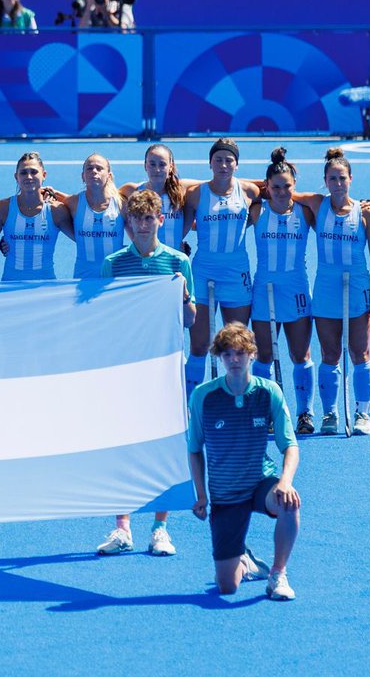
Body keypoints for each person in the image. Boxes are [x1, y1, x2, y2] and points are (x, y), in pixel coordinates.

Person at [95, 189, 195, 557]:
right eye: (136, 219)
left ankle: (160, 528)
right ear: (128, 224)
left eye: (149, 218)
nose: (142, 225)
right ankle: (122, 527)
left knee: (165, 447)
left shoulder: (178, 263)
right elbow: (105, 318)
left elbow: (190, 320)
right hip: (125, 368)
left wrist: (184, 297)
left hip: (165, 367)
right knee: (122, 446)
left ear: (160, 221)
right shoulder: (113, 264)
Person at [188, 323, 301, 601]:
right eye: (227, 355)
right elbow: (194, 449)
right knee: (227, 587)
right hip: (225, 495)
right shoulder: (203, 396)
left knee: (289, 502)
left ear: (252, 354)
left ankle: (278, 574)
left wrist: (285, 482)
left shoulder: (269, 391)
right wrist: (202, 495)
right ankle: (245, 561)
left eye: (240, 353)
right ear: (220, 358)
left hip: (260, 482)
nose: (234, 360)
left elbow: (290, 445)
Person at [296, 148, 370, 435]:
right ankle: (331, 413)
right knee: (330, 353)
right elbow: (277, 190)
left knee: (360, 352)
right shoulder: (316, 204)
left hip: (358, 286)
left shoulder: (365, 213)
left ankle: (362, 412)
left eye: (342, 178)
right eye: (332, 179)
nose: (337, 184)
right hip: (325, 288)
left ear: (351, 179)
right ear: (325, 180)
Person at [182, 138, 261, 399]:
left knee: (238, 343)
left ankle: (240, 395)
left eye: (229, 160)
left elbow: (281, 191)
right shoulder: (195, 193)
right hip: (203, 271)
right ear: (210, 164)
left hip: (236, 273)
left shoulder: (249, 192)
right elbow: (173, 191)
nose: (223, 164)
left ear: (237, 164)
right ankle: (191, 404)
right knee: (200, 344)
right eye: (218, 160)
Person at [250, 148, 317, 435]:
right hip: (264, 291)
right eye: (275, 187)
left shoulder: (306, 212)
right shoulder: (256, 211)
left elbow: (337, 206)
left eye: (287, 186)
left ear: (295, 187)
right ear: (266, 188)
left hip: (296, 290)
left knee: (300, 354)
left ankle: (305, 412)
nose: (281, 191)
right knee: (264, 356)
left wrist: (363, 206)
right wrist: (261, 190)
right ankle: (266, 412)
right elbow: (232, 189)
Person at [0, 152, 71, 281]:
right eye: (23, 173)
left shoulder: (57, 210)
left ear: (44, 175)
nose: (28, 176)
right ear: (16, 177)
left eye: (33, 172)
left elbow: (83, 237)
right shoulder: (3, 208)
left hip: (45, 287)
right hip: (10, 286)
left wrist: (59, 195)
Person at [119, 143, 191, 253]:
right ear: (145, 166)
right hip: (144, 260)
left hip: (173, 261)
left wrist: (181, 236)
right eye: (152, 164)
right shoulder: (132, 191)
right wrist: (134, 239)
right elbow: (110, 201)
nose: (157, 170)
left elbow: (213, 184)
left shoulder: (182, 190)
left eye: (162, 164)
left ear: (171, 167)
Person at [65, 154, 124, 279]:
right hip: (83, 278)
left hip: (115, 277)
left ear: (109, 176)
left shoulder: (121, 204)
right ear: (83, 176)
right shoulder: (73, 203)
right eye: (89, 168)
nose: (94, 172)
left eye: (99, 168)